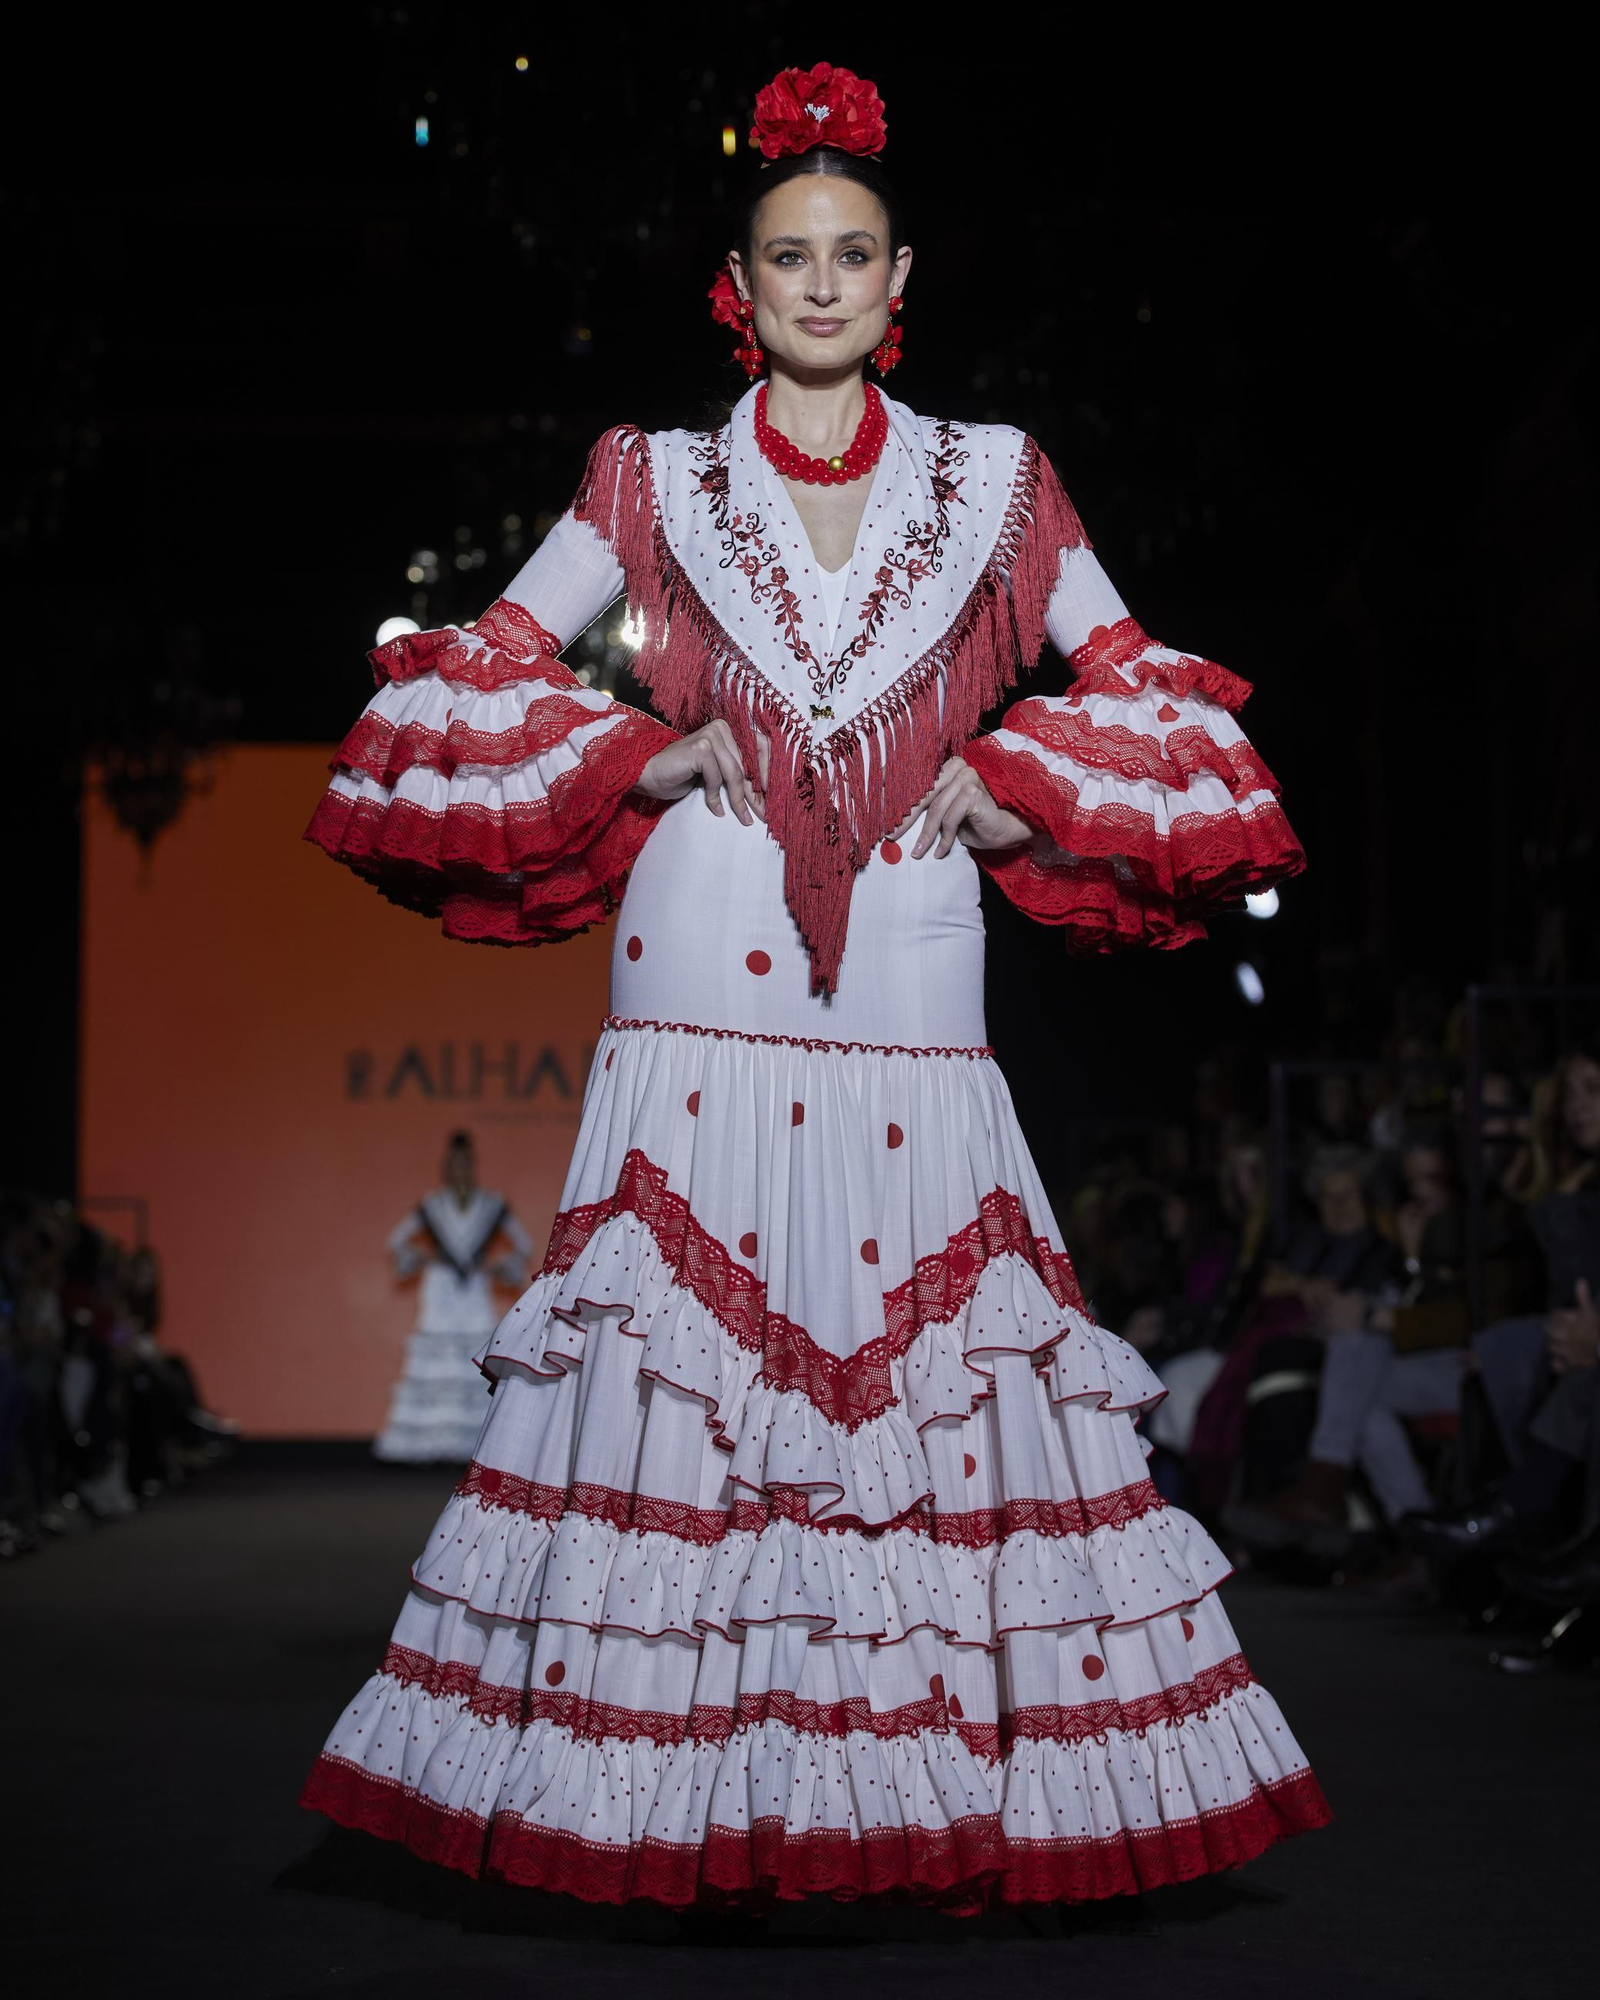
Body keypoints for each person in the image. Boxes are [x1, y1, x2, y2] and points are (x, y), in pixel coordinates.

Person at [297, 63, 1327, 1912]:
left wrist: (1021, 780)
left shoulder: (996, 478)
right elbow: (484, 657)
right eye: (794, 256)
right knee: (679, 1359)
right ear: (743, 279)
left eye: (855, 253)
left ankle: (951, 1789)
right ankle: (642, 1795)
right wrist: (638, 757)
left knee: (934, 1359)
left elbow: (1138, 670)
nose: (826, 282)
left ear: (900, 270)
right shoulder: (655, 475)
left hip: (920, 951)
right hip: (700, 940)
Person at [372, 1133, 532, 1466]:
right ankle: (427, 1443)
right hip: (441, 1288)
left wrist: (501, 1267)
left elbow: (523, 1245)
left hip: (475, 1290)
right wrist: (420, 1259)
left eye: (465, 1162)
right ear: (447, 1166)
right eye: (454, 1163)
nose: (459, 1168)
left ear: (472, 1165)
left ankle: (477, 1446)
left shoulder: (491, 1205)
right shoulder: (433, 1205)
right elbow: (396, 1241)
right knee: (436, 1363)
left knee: (476, 1360)